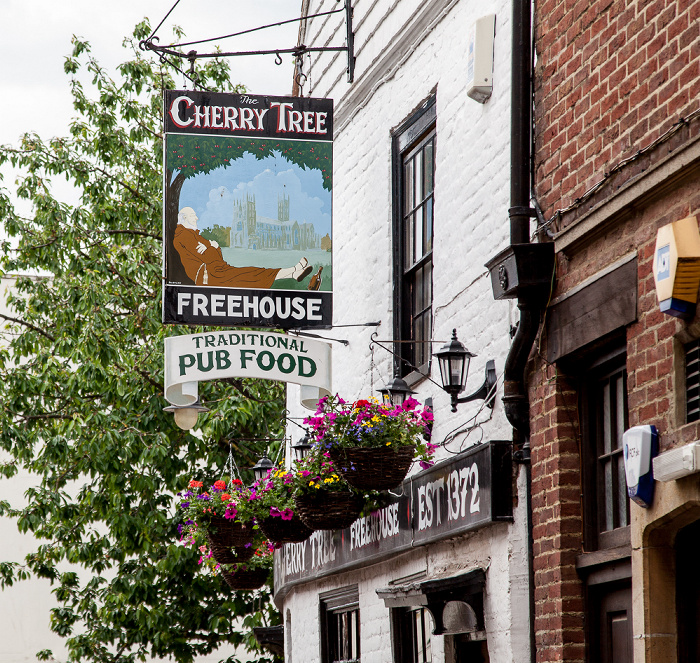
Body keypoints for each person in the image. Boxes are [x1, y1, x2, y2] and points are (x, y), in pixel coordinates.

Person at [172, 207, 313, 288]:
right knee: (251, 274)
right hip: (208, 276)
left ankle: (294, 273)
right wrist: (212, 247)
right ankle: (293, 271)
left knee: (253, 273)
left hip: (216, 270)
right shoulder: (184, 235)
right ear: (184, 218)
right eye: (193, 215)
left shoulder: (192, 234)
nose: (196, 218)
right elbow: (209, 256)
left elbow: (216, 254)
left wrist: (213, 248)